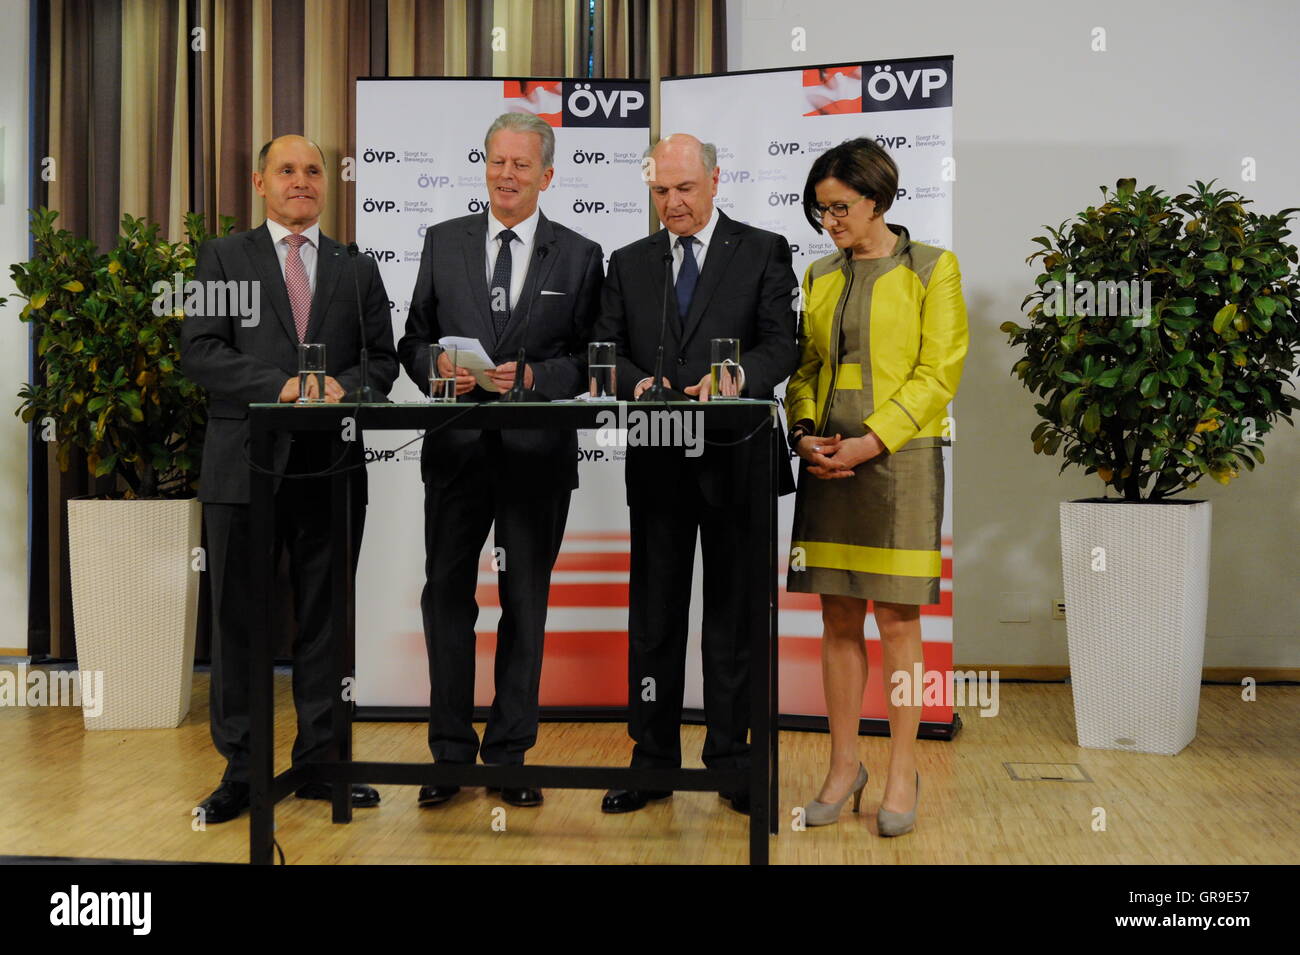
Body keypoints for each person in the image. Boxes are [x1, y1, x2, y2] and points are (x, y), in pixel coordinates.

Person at [181, 134, 399, 823]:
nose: (301, 181)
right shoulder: (223, 258)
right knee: (241, 623)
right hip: (243, 464)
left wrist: (341, 386)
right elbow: (202, 350)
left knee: (327, 624)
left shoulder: (355, 266)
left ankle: (322, 764)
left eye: (312, 171)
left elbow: (383, 363)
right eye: (287, 170)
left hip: (330, 465)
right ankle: (242, 773)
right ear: (259, 181)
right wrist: (284, 386)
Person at [397, 112, 603, 809]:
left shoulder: (580, 254)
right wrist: (436, 368)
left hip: (535, 458)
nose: (506, 174)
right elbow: (413, 338)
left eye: (521, 164)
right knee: (447, 601)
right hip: (455, 453)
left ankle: (510, 753)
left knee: (525, 602)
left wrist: (537, 379)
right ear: (483, 165)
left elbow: (589, 357)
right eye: (496, 161)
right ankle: (449, 754)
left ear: (547, 175)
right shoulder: (442, 241)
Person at [592, 133, 797, 815]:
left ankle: (732, 763)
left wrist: (737, 376)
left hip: (737, 455)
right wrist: (636, 380)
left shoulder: (764, 249)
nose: (672, 203)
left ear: (714, 180)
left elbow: (781, 344)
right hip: (657, 456)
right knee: (654, 618)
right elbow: (605, 349)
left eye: (684, 188)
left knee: (733, 618)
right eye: (660, 191)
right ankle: (651, 763)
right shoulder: (626, 261)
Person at [786, 137, 968, 834]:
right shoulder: (819, 275)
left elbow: (937, 372)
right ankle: (842, 766)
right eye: (820, 210)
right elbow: (805, 369)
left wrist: (873, 439)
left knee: (898, 621)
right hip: (828, 462)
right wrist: (805, 432)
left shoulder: (932, 269)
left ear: (878, 200)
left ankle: (899, 769)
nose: (829, 222)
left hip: (901, 464)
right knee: (836, 618)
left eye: (840, 208)